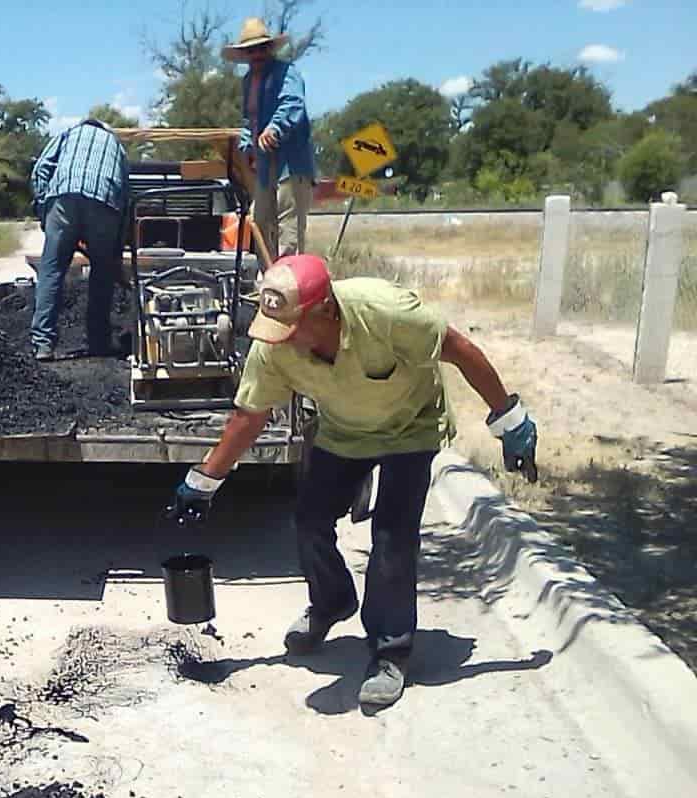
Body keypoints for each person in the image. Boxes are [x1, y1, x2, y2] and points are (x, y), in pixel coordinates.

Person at [165, 255, 538, 709]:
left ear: (326, 311)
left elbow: (459, 349)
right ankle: (332, 602)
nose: (281, 340)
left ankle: (390, 652)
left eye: (291, 328)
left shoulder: (388, 313)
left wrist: (509, 420)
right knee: (309, 521)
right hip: (343, 431)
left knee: (392, 538)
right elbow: (250, 414)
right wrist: (206, 479)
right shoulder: (276, 341)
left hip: (411, 428)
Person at [29, 117, 130, 361]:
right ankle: (98, 342)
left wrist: (44, 209)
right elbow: (126, 193)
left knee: (51, 270)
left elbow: (40, 170)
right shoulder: (117, 146)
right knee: (102, 274)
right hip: (104, 201)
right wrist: (116, 244)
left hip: (63, 199)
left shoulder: (67, 134)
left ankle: (43, 344)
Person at [223, 17, 315, 262]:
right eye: (251, 50)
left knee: (289, 226)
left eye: (261, 48)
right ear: (245, 54)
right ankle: (270, 279)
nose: (257, 55)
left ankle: (290, 286)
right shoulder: (247, 82)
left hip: (291, 164)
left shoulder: (287, 73)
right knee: (259, 221)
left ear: (269, 49)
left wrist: (274, 128)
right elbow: (248, 121)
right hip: (264, 166)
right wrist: (247, 145)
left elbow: (293, 103)